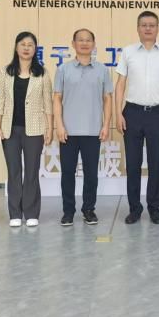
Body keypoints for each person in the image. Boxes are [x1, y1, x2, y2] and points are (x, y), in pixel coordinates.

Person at [115, 11, 159, 224]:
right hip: (132, 113)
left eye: (152, 25)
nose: (148, 28)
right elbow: (120, 84)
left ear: (158, 28)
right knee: (133, 164)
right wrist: (118, 113)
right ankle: (134, 208)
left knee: (155, 163)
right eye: (144, 25)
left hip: (158, 114)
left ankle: (154, 208)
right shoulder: (128, 52)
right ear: (138, 28)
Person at [0, 32, 53, 227]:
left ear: (35, 49)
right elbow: (0, 100)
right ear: (16, 47)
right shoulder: (5, 72)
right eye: (23, 44)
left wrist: (49, 128)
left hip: (34, 129)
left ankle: (31, 212)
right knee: (14, 171)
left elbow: (48, 103)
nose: (26, 48)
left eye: (30, 45)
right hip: (9, 129)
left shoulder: (42, 73)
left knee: (32, 171)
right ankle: (15, 214)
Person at [54, 29, 113, 226]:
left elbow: (107, 99)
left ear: (94, 44)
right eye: (80, 40)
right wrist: (59, 125)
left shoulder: (102, 70)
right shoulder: (63, 69)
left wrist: (106, 125)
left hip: (93, 130)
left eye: (88, 40)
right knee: (67, 174)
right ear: (73, 44)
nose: (84, 43)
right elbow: (57, 98)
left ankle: (89, 209)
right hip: (68, 132)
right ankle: (68, 211)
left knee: (91, 174)